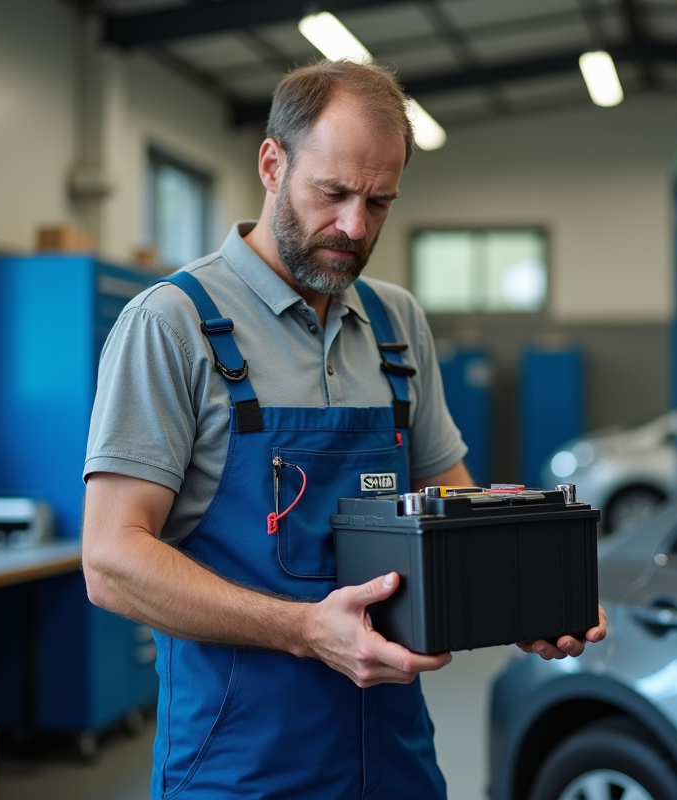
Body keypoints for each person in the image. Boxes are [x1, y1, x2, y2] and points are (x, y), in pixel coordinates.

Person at [81, 60, 607, 799]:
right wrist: (305, 629)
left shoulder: (396, 323)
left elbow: (446, 496)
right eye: (332, 194)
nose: (355, 227)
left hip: (394, 759)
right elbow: (110, 561)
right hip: (241, 769)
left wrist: (517, 595)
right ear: (272, 163)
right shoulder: (171, 326)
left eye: (379, 202)